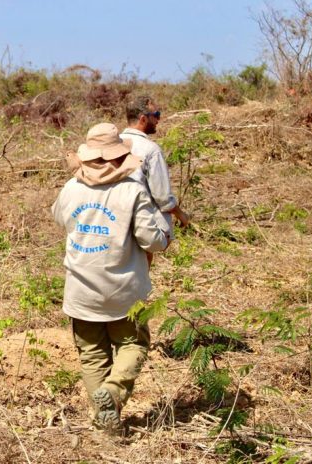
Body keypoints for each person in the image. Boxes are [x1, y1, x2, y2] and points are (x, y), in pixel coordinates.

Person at [53, 123, 170, 432]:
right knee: (133, 344)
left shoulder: (71, 188)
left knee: (92, 355)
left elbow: (59, 217)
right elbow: (152, 241)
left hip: (80, 291)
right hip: (124, 292)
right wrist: (166, 234)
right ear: (119, 156)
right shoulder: (132, 190)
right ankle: (114, 392)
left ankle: (106, 425)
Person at [121, 95, 190, 231]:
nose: (159, 119)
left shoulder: (112, 142)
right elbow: (162, 197)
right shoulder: (151, 150)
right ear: (143, 119)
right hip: (139, 222)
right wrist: (181, 215)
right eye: (156, 115)